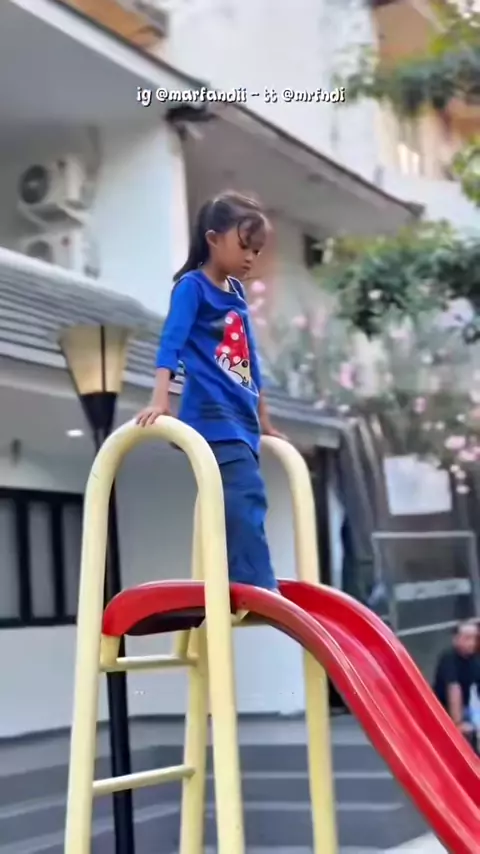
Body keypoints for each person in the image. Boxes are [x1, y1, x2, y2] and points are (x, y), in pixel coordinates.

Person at [136, 190, 285, 591]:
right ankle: (255, 584)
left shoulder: (236, 293)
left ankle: (238, 579)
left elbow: (250, 359)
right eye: (244, 246)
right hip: (213, 415)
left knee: (239, 498)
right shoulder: (193, 288)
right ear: (214, 239)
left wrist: (264, 418)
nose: (251, 258)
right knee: (245, 495)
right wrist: (160, 399)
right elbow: (172, 342)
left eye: (257, 250)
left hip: (242, 418)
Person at [433, 620, 480, 750]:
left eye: (474, 638)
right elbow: (453, 689)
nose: (471, 643)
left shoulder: (474, 659)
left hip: (465, 707)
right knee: (465, 732)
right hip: (441, 710)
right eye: (467, 638)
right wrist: (458, 724)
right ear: (456, 639)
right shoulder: (449, 658)